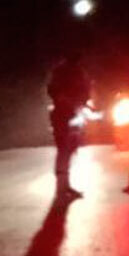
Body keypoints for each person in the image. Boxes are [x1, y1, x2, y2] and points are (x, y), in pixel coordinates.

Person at [46, 52, 93, 199]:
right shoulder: (63, 71)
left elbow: (85, 90)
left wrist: (83, 104)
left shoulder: (77, 70)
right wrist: (66, 101)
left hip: (73, 113)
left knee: (69, 150)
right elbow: (54, 91)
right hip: (63, 114)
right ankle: (61, 188)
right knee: (64, 150)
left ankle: (65, 186)